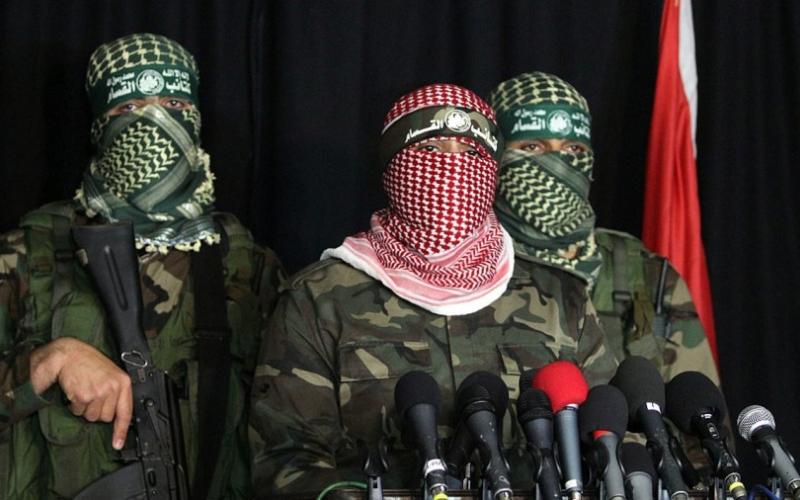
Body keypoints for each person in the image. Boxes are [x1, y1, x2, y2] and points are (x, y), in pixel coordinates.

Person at [250, 83, 617, 497]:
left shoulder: (561, 300)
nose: (453, 168)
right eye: (432, 149)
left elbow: (611, 446)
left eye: (472, 153)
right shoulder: (320, 299)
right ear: (394, 165)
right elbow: (285, 458)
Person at [0, 33, 284, 499]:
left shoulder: (244, 263)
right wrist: (49, 361)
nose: (154, 123)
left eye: (173, 104)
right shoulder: (29, 254)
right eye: (128, 108)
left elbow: (292, 434)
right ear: (99, 125)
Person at [488, 71, 719, 385]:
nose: (558, 163)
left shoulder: (644, 273)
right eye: (532, 147)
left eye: (574, 149)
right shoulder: (468, 271)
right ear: (495, 158)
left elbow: (698, 403)